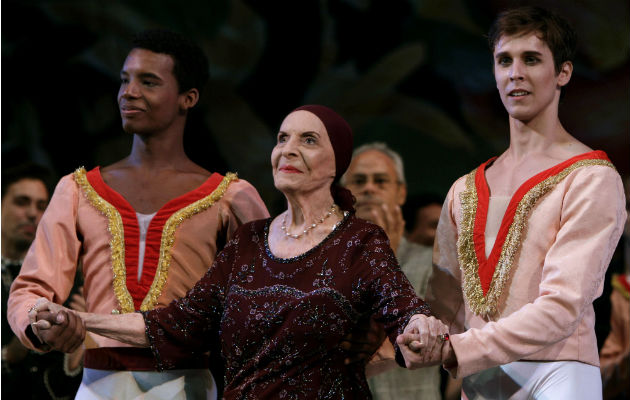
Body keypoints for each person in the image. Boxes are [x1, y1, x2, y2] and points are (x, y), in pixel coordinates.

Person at [32, 104, 450, 399]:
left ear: (335, 162)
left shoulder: (358, 240)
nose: (288, 149)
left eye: (308, 140)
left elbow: (403, 307)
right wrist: (81, 320)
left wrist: (419, 327)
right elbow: (180, 322)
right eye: (282, 138)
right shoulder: (249, 241)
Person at [8, 29, 269, 399]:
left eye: (148, 82)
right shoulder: (77, 190)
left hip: (188, 385)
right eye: (124, 79)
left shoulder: (231, 199)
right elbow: (31, 288)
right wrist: (42, 323)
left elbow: (268, 297)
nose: (128, 92)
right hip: (99, 385)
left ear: (187, 98)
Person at [423, 6, 627, 399]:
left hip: (559, 373)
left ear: (563, 73)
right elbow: (443, 304)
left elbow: (563, 307)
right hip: (482, 379)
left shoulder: (591, 177)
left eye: (531, 59)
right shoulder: (462, 190)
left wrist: (457, 348)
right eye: (504, 60)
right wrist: (419, 332)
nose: (515, 72)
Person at [342, 142, 441, 400]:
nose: (369, 188)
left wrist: (388, 255)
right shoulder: (323, 264)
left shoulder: (432, 265)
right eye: (359, 180)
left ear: (400, 193)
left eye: (381, 181)